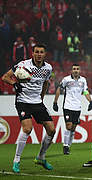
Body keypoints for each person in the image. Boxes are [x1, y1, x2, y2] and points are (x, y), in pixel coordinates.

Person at [1, 44, 55, 173]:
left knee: (51, 130)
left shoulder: (48, 68)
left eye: (41, 52)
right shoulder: (23, 65)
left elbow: (46, 82)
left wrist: (41, 97)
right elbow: (5, 77)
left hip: (37, 102)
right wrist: (15, 84)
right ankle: (17, 160)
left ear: (45, 54)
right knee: (27, 129)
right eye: (36, 52)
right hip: (23, 101)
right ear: (32, 53)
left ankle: (41, 157)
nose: (39, 54)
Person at [53, 64, 92, 155]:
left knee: (73, 128)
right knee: (68, 125)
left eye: (77, 69)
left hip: (77, 107)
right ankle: (65, 146)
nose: (76, 70)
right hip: (67, 106)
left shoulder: (83, 80)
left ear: (80, 70)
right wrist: (55, 102)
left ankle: (69, 145)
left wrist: (90, 101)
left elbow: (85, 91)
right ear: (71, 70)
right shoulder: (66, 79)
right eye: (74, 69)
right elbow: (59, 89)